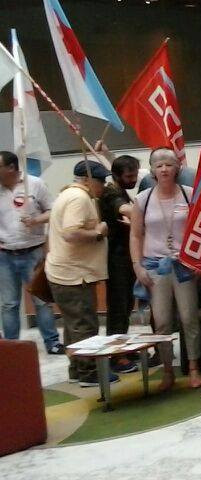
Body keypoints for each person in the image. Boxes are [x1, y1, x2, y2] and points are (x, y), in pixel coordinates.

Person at [129, 149, 201, 390]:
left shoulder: (189, 195)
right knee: (161, 321)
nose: (164, 169)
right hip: (154, 266)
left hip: (184, 265)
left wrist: (200, 260)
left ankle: (192, 367)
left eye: (168, 164)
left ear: (177, 168)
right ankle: (168, 370)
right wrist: (137, 265)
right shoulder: (142, 199)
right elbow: (136, 235)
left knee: (189, 317)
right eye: (158, 165)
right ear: (152, 170)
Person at [46, 160, 116, 387]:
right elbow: (71, 233)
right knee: (84, 325)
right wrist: (98, 232)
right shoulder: (79, 198)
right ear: (87, 180)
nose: (103, 186)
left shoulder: (68, 194)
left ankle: (76, 369)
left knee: (73, 325)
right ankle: (89, 373)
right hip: (75, 275)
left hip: (69, 272)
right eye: (100, 181)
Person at [0, 151, 62, 354]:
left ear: (10, 168)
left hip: (33, 250)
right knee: (9, 303)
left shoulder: (34, 184)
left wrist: (35, 220)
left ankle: (52, 343)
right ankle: (10, 347)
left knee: (41, 300)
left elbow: (54, 211)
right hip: (5, 254)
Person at [99, 155, 140, 373]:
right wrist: (149, 212)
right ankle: (116, 356)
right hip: (116, 258)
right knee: (118, 307)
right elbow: (125, 210)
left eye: (135, 174)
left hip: (126, 256)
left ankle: (123, 347)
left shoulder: (120, 187)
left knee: (126, 306)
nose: (133, 179)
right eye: (129, 176)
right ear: (117, 176)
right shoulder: (110, 193)